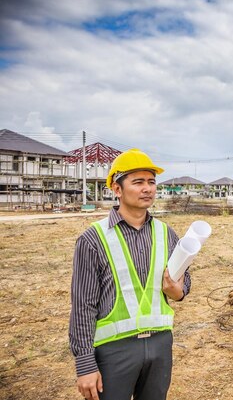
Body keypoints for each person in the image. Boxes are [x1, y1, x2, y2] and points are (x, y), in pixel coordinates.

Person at [69, 149, 191, 400]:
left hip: (160, 345)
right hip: (114, 350)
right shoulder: (93, 239)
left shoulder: (165, 234)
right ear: (117, 189)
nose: (147, 188)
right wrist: (85, 364)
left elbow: (184, 282)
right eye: (138, 182)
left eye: (151, 182)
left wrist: (177, 291)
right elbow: (83, 306)